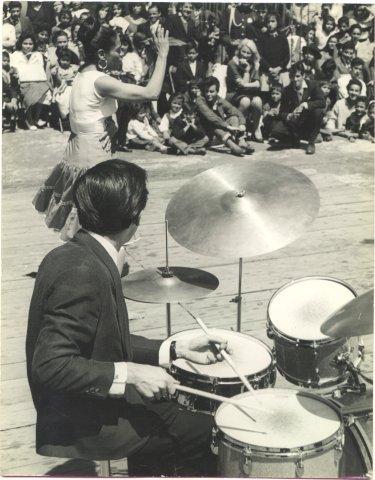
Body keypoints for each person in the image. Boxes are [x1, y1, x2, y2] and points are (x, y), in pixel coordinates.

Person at [27, 159, 230, 477]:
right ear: (134, 219)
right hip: (85, 420)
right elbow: (50, 366)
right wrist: (133, 373)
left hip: (87, 403)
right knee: (204, 429)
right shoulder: (83, 271)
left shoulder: (78, 253)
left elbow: (102, 341)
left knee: (174, 411)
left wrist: (174, 349)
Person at [33, 17, 170, 241]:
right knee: (102, 226)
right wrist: (163, 54)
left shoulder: (81, 76)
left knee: (87, 225)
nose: (120, 54)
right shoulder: (100, 80)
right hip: (93, 160)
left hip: (78, 153)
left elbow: (86, 116)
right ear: (102, 55)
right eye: (116, 50)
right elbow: (151, 93)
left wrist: (109, 125)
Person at [270, 64, 325, 155]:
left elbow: (322, 102)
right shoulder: (287, 90)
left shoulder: (312, 85)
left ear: (303, 76)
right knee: (276, 132)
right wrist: (289, 115)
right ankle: (295, 138)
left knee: (318, 112)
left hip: (308, 119)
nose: (295, 79)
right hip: (294, 121)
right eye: (292, 76)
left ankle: (311, 142)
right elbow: (282, 112)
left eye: (298, 76)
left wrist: (305, 104)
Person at [196, 76, 253, 156]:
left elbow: (236, 112)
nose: (208, 94)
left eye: (211, 91)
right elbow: (210, 117)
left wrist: (242, 124)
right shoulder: (200, 100)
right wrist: (227, 126)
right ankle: (232, 145)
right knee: (212, 123)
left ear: (217, 91)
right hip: (207, 135)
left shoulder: (220, 101)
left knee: (234, 117)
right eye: (206, 91)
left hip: (220, 135)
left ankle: (241, 141)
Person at [10, 33, 51, 130]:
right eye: (25, 43)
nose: (28, 46)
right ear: (20, 44)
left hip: (38, 80)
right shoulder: (15, 55)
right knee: (29, 94)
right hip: (23, 82)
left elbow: (40, 69)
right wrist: (15, 72)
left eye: (30, 44)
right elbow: (13, 68)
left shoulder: (37, 55)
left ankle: (36, 118)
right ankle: (29, 119)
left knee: (45, 93)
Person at [226, 39, 262, 141]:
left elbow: (258, 84)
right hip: (234, 93)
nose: (245, 55)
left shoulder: (254, 63)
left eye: (248, 53)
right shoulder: (232, 63)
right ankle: (239, 129)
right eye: (243, 51)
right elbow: (242, 86)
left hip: (248, 93)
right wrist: (246, 71)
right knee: (245, 101)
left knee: (258, 101)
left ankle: (256, 129)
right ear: (239, 50)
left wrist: (249, 84)